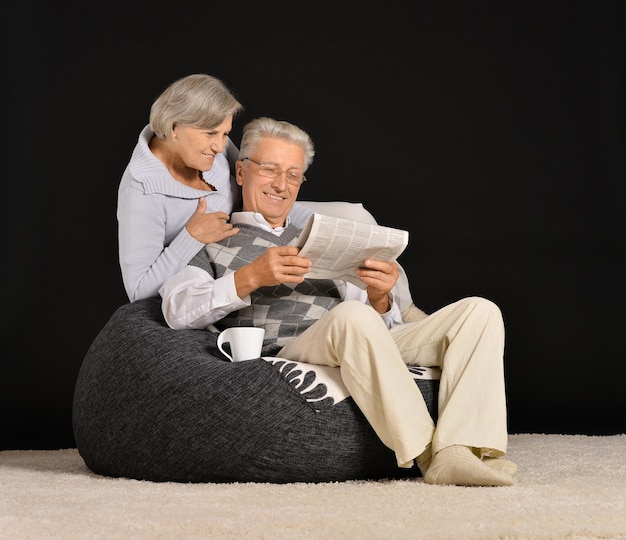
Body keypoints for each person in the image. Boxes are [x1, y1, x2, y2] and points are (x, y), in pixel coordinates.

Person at [159, 117, 517, 487]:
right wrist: (252, 277)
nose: (281, 185)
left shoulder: (321, 235)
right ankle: (428, 453)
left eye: (294, 175)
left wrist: (380, 297)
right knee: (351, 316)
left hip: (354, 338)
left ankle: (460, 449)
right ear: (240, 172)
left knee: (480, 311)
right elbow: (176, 310)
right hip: (288, 352)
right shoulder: (214, 240)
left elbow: (378, 330)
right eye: (269, 170)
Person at [117, 73, 314, 302]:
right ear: (174, 127)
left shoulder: (211, 149)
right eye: (210, 133)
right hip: (216, 271)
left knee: (353, 217)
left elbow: (257, 185)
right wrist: (192, 236)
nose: (220, 147)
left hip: (261, 227)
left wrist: (316, 226)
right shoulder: (142, 191)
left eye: (225, 134)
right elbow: (138, 292)